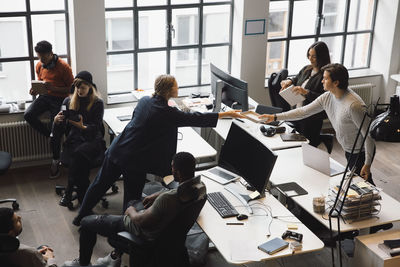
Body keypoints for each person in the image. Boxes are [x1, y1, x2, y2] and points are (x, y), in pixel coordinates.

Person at [72, 74, 244, 226]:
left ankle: (80, 217)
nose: (178, 88)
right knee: (131, 198)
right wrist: (224, 115)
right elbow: (195, 118)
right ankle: (126, 232)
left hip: (118, 150)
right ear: (169, 90)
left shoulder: (145, 101)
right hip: (134, 161)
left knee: (98, 185)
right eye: (176, 86)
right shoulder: (168, 113)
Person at [64, 152, 203, 267]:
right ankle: (115, 256)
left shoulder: (167, 200)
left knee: (87, 222)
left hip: (143, 231)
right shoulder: (200, 189)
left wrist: (130, 211)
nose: (171, 169)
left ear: (177, 172)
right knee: (133, 201)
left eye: (172, 167)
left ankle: (82, 264)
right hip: (166, 236)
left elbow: (141, 221)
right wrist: (157, 194)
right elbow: (176, 192)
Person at [261, 63, 375, 182]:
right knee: (358, 184)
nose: (322, 81)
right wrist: (274, 117)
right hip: (348, 148)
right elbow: (303, 111)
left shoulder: (354, 105)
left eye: (325, 78)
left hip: (360, 152)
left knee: (364, 185)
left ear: (336, 83)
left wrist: (367, 164)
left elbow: (369, 136)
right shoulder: (327, 96)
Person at [51, 71, 106, 207]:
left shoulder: (97, 103)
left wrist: (83, 127)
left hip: (92, 139)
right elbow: (61, 125)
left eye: (83, 88)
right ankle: (84, 196)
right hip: (74, 140)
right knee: (80, 159)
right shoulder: (67, 101)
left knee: (79, 154)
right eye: (77, 87)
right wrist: (56, 121)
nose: (79, 91)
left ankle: (69, 191)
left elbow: (96, 127)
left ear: (90, 88)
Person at [24, 40, 74, 179]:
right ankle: (49, 135)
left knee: (56, 127)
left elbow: (72, 89)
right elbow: (41, 82)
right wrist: (35, 90)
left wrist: (54, 88)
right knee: (28, 115)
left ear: (51, 54)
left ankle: (55, 162)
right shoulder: (40, 65)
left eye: (43, 57)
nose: (41, 60)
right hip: (45, 97)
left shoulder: (64, 67)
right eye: (39, 57)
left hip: (61, 99)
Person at [270, 41, 331, 149]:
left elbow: (325, 99)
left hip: (311, 118)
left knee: (307, 146)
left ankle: (323, 140)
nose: (310, 59)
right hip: (297, 112)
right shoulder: (306, 69)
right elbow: (296, 79)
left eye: (314, 57)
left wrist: (306, 92)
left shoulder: (326, 76)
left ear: (321, 57)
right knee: (294, 143)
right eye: (309, 55)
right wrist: (289, 81)